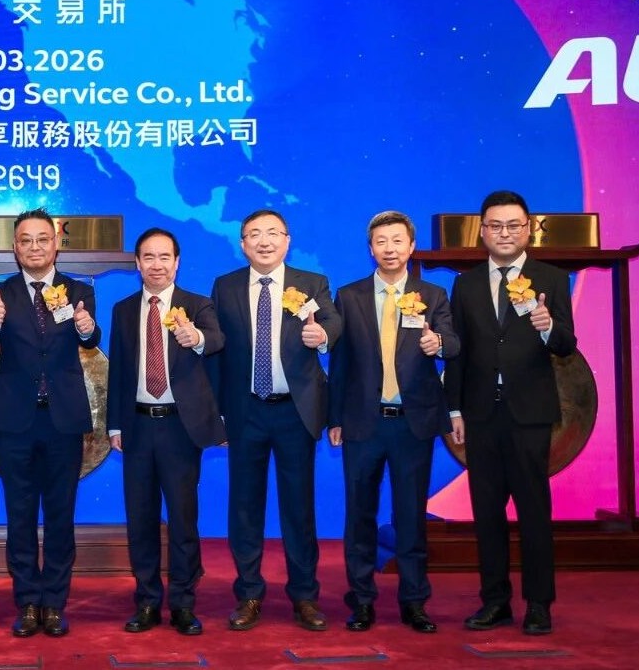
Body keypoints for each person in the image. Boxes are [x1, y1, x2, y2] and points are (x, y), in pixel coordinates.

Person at [445, 190, 575, 636]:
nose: (505, 233)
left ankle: (539, 603)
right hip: (481, 413)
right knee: (486, 512)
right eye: (496, 226)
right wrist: (455, 408)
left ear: (528, 230)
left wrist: (548, 326)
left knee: (534, 510)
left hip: (529, 414)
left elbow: (566, 345)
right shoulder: (465, 284)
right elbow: (458, 353)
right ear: (482, 231)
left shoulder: (551, 278)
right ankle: (495, 601)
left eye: (514, 225)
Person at [327, 211, 461, 634]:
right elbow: (340, 363)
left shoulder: (433, 295)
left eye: (397, 241)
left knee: (410, 516)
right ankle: (361, 599)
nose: (389, 249)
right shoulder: (349, 296)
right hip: (362, 423)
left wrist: (438, 343)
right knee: (359, 515)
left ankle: (414, 601)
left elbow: (453, 343)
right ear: (371, 249)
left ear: (411, 246)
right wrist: (335, 417)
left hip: (412, 424)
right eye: (381, 242)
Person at [211, 209, 342, 631]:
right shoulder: (226, 286)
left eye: (273, 233)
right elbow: (217, 352)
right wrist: (218, 413)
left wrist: (322, 335)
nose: (264, 241)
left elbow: (333, 320)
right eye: (254, 234)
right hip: (245, 410)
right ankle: (249, 593)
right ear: (242, 243)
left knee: (298, 508)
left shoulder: (311, 283)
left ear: (287, 240)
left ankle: (304, 596)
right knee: (245, 507)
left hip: (294, 411)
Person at [0, 208, 99, 638]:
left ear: (55, 245)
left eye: (42, 239)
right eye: (26, 240)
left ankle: (55, 603)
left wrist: (85, 328)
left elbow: (91, 338)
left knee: (61, 514)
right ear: (15, 247)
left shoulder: (79, 290)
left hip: (63, 420)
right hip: (16, 422)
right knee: (20, 514)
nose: (34, 247)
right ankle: (28, 601)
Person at [107, 227, 225, 636]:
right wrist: (115, 424)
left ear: (177, 262)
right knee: (140, 518)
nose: (156, 265)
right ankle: (146, 601)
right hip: (137, 425)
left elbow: (216, 339)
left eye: (164, 257)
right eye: (148, 257)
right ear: (137, 263)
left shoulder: (198, 304)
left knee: (182, 518)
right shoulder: (123, 309)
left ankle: (183, 603)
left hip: (180, 427)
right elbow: (119, 371)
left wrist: (196, 337)